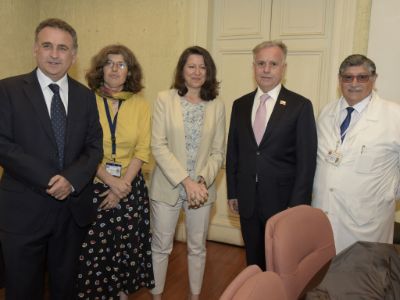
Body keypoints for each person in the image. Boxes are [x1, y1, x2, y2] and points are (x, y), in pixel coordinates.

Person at [0, 18, 103, 299]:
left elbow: (95, 147)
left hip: (71, 212)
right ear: (35, 49)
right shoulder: (7, 90)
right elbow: (3, 145)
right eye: (47, 46)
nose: (54, 54)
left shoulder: (85, 97)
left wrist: (71, 180)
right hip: (23, 211)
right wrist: (49, 179)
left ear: (74, 56)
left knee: (65, 287)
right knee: (22, 289)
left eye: (62, 48)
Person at [226, 40, 317, 270]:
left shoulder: (300, 106)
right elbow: (233, 152)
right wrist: (233, 192)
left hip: (282, 203)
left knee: (281, 265)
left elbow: (306, 163)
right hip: (247, 200)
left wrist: (296, 205)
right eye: (261, 63)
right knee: (253, 262)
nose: (266, 69)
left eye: (273, 64)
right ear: (254, 66)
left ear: (283, 68)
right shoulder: (240, 104)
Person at [76, 45, 155, 299]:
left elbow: (142, 150)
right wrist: (110, 181)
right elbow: (81, 148)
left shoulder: (141, 105)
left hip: (129, 186)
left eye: (121, 64)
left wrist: (122, 186)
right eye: (109, 63)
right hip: (94, 183)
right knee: (94, 249)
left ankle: (120, 291)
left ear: (129, 71)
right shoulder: (86, 100)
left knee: (124, 247)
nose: (115, 68)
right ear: (101, 69)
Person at [150, 46, 225, 300]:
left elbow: (218, 152)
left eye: (203, 67)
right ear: (182, 69)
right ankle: (157, 296)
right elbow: (157, 145)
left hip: (202, 190)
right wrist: (186, 181)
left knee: (197, 248)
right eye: (191, 66)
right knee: (161, 247)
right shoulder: (164, 99)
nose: (197, 72)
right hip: (168, 186)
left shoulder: (217, 105)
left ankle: (195, 296)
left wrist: (200, 181)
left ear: (209, 72)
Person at [312, 54, 400, 253]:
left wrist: (389, 191)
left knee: (364, 277)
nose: (354, 83)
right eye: (347, 77)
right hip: (324, 212)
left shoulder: (394, 116)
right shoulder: (326, 113)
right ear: (339, 79)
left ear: (374, 79)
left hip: (368, 221)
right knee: (323, 274)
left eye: (362, 77)